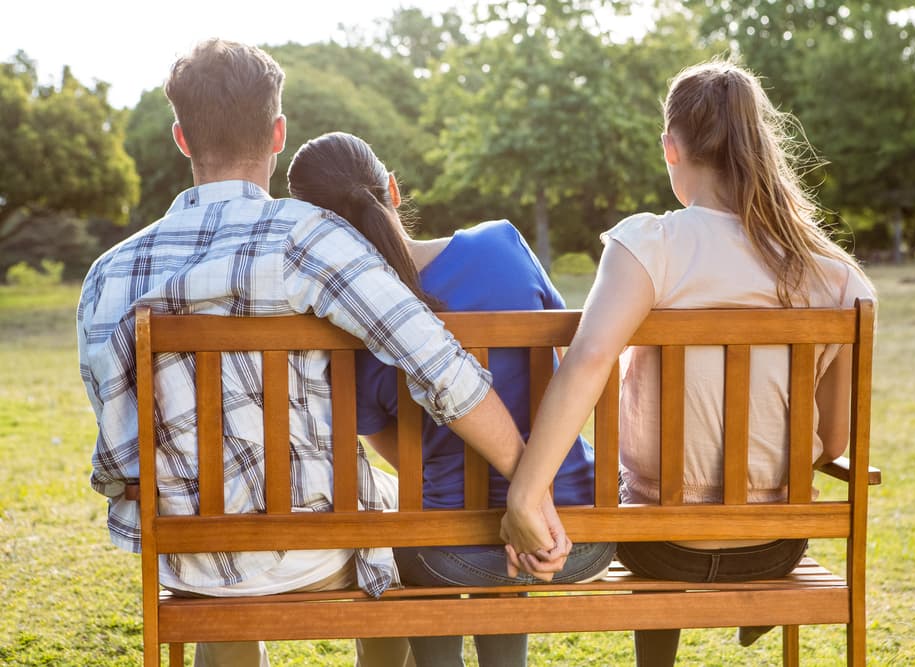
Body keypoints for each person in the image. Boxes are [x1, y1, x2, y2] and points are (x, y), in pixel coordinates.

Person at [77, 39, 563, 667]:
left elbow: (120, 449)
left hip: (186, 552)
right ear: (277, 133)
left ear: (180, 138)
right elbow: (438, 365)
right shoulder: (306, 238)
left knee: (229, 567)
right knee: (397, 514)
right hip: (319, 545)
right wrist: (529, 484)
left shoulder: (108, 275)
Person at [501, 59, 877, 665]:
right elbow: (833, 440)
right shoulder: (837, 276)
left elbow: (591, 357)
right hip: (776, 545)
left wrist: (527, 494)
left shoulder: (651, 244)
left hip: (660, 544)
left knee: (642, 493)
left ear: (671, 148)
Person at [286, 131, 615, 667]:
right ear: (392, 188)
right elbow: (561, 365)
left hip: (441, 553)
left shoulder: (353, 325)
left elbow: (397, 452)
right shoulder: (501, 246)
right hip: (574, 531)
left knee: (424, 525)